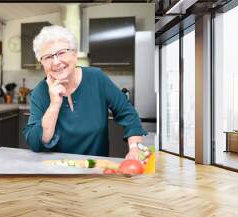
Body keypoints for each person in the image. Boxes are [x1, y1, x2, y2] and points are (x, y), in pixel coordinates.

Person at [23, 25, 147, 159]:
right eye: (48, 57)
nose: (56, 62)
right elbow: (36, 143)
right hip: (56, 171)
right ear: (42, 63)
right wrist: (54, 105)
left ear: (74, 54)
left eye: (62, 53)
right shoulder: (39, 93)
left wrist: (135, 148)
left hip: (96, 169)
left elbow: (127, 112)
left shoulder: (97, 78)